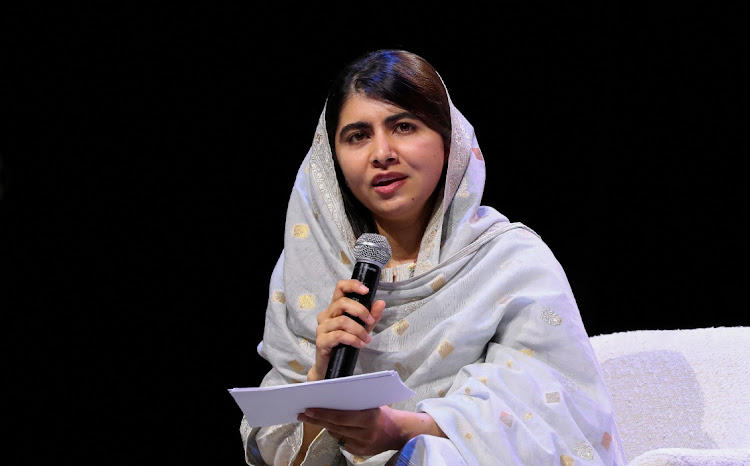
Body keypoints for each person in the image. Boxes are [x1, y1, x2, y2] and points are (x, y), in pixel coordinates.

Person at [239, 49, 626, 465]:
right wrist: (319, 378)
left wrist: (401, 431)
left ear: (449, 140)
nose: (381, 152)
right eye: (357, 136)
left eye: (404, 126)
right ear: (331, 159)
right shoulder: (306, 270)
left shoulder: (509, 262)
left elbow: (552, 418)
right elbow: (276, 454)